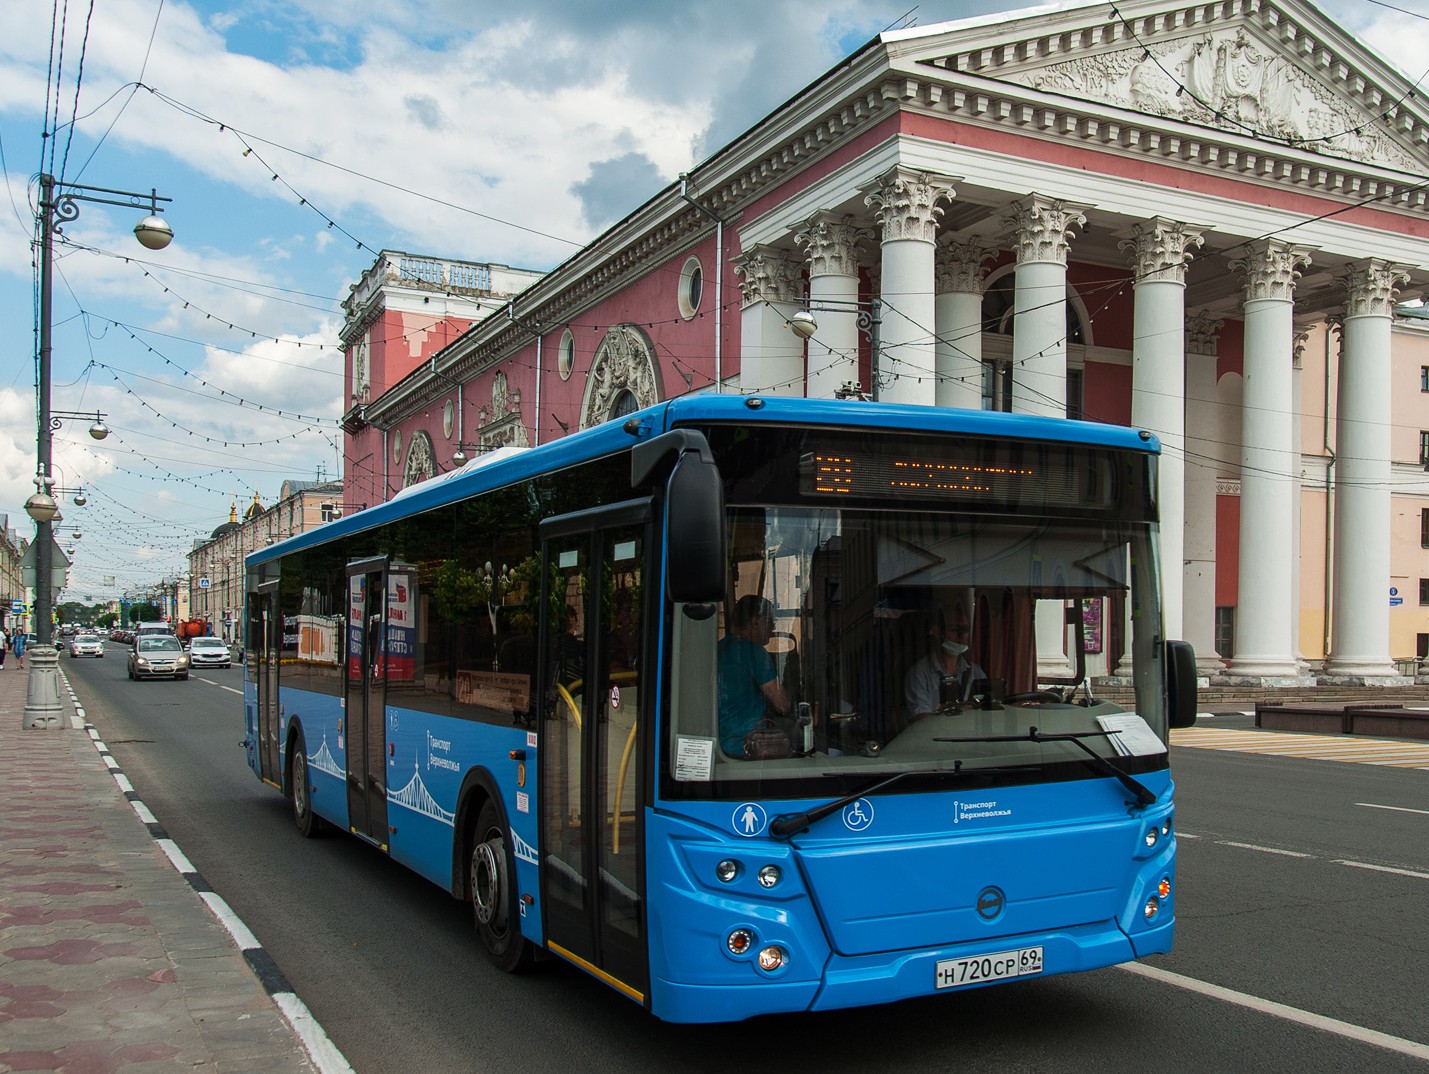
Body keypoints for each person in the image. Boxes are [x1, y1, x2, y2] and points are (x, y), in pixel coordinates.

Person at [717, 595, 790, 756]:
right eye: (770, 621)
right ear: (755, 621)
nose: (772, 628)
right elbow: (782, 705)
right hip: (749, 747)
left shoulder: (719, 649)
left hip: (722, 745)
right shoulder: (754, 652)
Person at [904, 606, 985, 719]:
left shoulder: (975, 672)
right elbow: (921, 720)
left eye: (965, 630)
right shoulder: (919, 673)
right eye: (955, 629)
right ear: (938, 632)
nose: (961, 636)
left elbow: (985, 712)